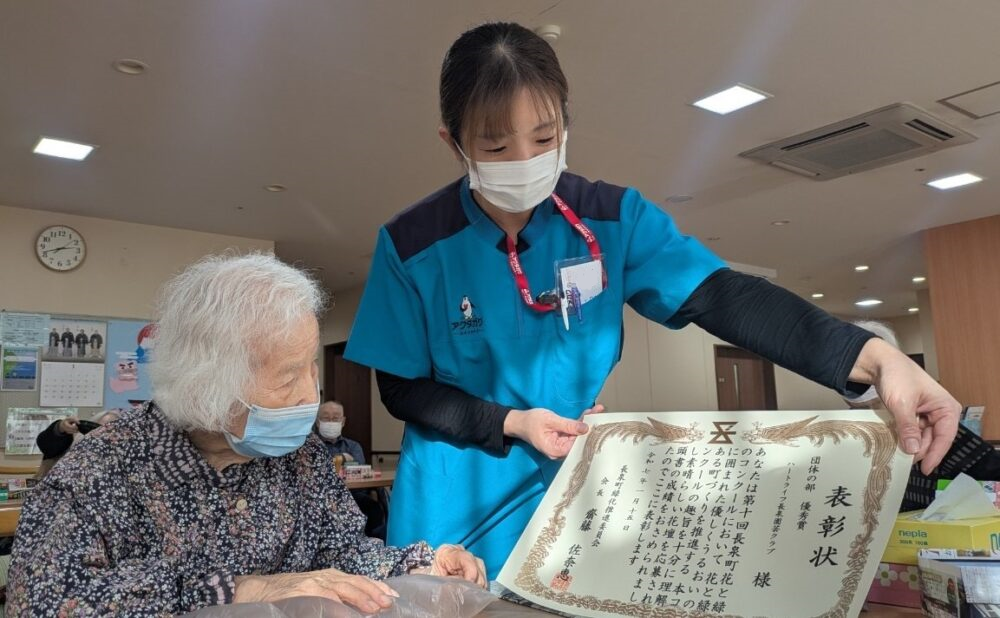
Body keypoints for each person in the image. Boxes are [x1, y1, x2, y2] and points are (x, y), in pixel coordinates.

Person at [344, 22, 962, 578]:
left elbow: (724, 297)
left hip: (574, 503)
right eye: (499, 148)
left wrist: (878, 360)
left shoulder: (610, 218)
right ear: (453, 143)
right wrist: (511, 422)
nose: (527, 162)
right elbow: (402, 389)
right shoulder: (414, 244)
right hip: (456, 519)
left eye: (544, 136)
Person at [7, 254, 485, 616]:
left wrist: (417, 564)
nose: (310, 397)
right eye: (287, 377)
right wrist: (240, 588)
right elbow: (41, 601)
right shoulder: (102, 471)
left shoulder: (302, 457)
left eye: (311, 371)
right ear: (205, 387)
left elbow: (342, 553)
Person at [843, 320, 999, 511]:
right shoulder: (847, 436)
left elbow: (992, 481)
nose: (869, 415)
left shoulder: (940, 433)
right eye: (860, 409)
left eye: (875, 406)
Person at [315, 401, 388, 539]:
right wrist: (342, 458)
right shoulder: (311, 446)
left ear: (343, 422)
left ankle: (375, 548)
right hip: (321, 497)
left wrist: (335, 463)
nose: (331, 421)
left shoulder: (353, 446)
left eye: (335, 418)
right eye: (326, 418)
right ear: (318, 422)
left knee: (374, 508)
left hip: (353, 495)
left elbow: (359, 469)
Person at [34, 410, 121, 479]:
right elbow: (46, 446)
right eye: (100, 427)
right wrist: (60, 428)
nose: (104, 432)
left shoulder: (121, 454)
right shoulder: (73, 442)